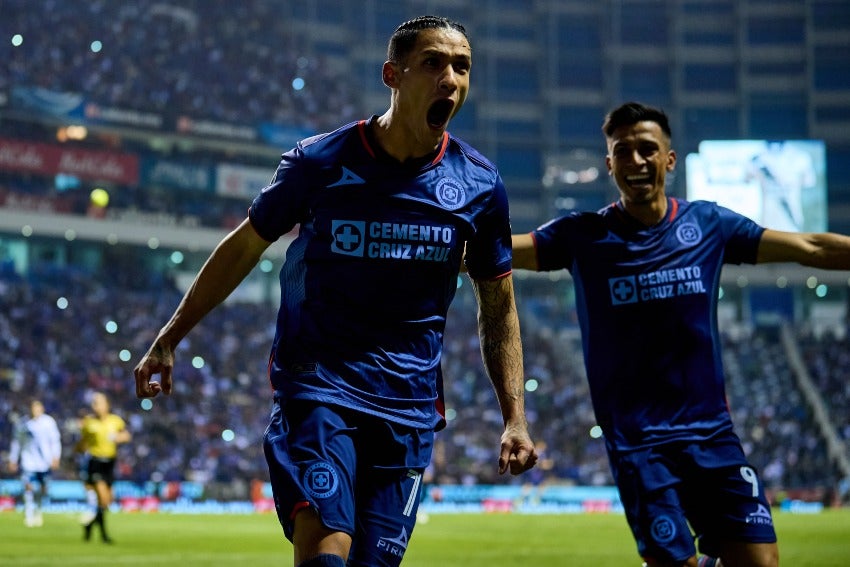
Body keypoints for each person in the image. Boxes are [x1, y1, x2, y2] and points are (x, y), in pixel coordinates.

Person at [134, 15, 537, 567]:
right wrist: (170, 336)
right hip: (319, 389)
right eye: (433, 63)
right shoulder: (319, 161)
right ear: (392, 75)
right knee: (326, 556)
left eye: (462, 67)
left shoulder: (480, 185)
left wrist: (514, 416)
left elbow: (498, 305)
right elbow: (245, 245)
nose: (450, 78)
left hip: (409, 405)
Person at [512, 101, 850, 567]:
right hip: (640, 446)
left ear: (669, 159)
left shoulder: (708, 225)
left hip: (712, 435)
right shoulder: (583, 237)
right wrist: (432, 245)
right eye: (623, 151)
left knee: (761, 562)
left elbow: (808, 245)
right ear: (609, 164)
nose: (636, 160)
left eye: (647, 149)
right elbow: (504, 251)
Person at [75, 391, 131, 543]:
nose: (96, 406)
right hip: (95, 463)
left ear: (107, 405)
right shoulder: (89, 423)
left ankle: (90, 526)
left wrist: (119, 438)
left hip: (110, 463)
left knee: (107, 501)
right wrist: (77, 450)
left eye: (99, 403)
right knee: (103, 498)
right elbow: (82, 443)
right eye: (94, 403)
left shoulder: (115, 421)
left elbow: (126, 435)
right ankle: (104, 535)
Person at [7, 399, 62, 527]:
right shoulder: (22, 424)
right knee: (28, 486)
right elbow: (16, 443)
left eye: (37, 408)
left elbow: (55, 440)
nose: (35, 411)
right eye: (32, 408)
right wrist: (13, 459)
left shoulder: (48, 422)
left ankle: (38, 510)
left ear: (42, 409)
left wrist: (56, 457)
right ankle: (29, 514)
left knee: (43, 489)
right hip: (28, 461)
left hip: (45, 462)